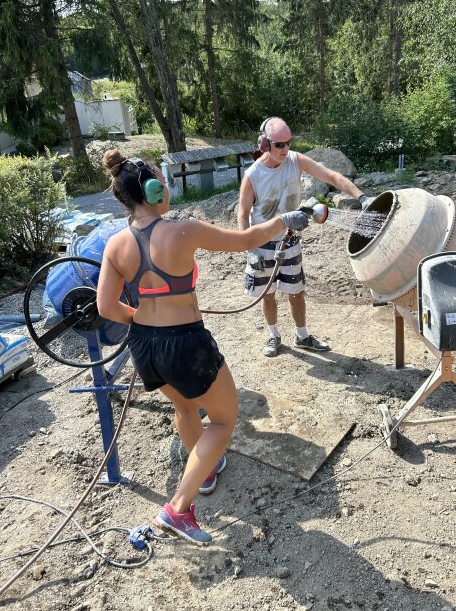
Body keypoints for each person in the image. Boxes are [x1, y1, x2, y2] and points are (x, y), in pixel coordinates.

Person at [96, 150, 309, 546]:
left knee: (184, 407)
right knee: (225, 420)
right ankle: (178, 508)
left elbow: (105, 308)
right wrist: (284, 220)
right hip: (186, 344)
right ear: (154, 189)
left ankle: (205, 470)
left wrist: (144, 320)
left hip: (144, 346)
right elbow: (245, 239)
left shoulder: (114, 245)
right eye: (162, 180)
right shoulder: (183, 230)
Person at [238, 116, 374, 358]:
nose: (285, 149)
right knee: (267, 294)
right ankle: (273, 335)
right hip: (261, 242)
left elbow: (331, 176)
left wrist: (362, 197)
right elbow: (243, 213)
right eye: (279, 145)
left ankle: (302, 336)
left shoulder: (295, 161)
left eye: (289, 143)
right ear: (264, 144)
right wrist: (250, 248)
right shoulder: (253, 175)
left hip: (289, 238)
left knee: (296, 291)